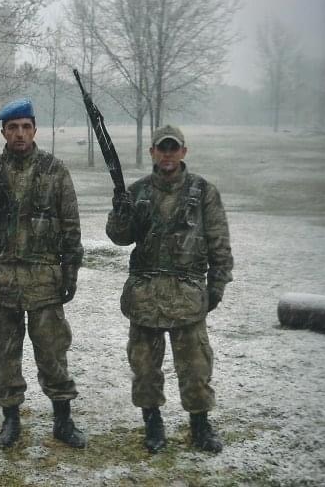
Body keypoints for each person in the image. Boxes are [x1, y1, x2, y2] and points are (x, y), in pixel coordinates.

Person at [106, 125, 233, 454]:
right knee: (144, 368)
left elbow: (219, 242)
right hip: (145, 296)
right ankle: (153, 424)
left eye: (173, 148)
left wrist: (216, 287)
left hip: (187, 296)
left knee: (196, 368)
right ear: (152, 152)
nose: (167, 154)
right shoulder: (137, 192)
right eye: (161, 148)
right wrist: (120, 212)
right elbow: (120, 237)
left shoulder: (203, 192)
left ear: (183, 152)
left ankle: (200, 426)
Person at [0, 98, 86, 449]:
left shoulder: (54, 170)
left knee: (52, 352)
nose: (19, 133)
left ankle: (63, 420)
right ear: (3, 132)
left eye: (25, 127)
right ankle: (11, 421)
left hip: (44, 281)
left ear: (34, 129)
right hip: (2, 280)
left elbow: (70, 225)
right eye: (12, 128)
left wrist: (70, 272)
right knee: (5, 354)